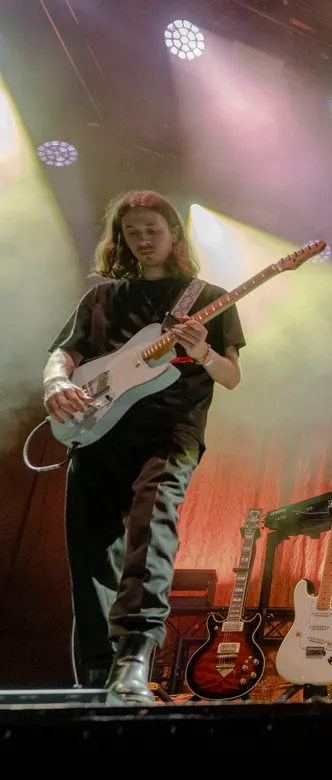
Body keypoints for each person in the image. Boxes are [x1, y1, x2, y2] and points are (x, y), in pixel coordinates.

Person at [44, 190, 245, 704]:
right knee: (91, 547)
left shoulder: (209, 297)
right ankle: (97, 670)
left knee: (152, 525)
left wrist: (202, 351)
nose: (143, 240)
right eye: (131, 232)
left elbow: (231, 376)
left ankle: (135, 655)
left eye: (152, 230)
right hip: (97, 430)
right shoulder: (101, 297)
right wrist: (55, 383)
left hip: (171, 430)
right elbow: (64, 353)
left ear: (174, 233)